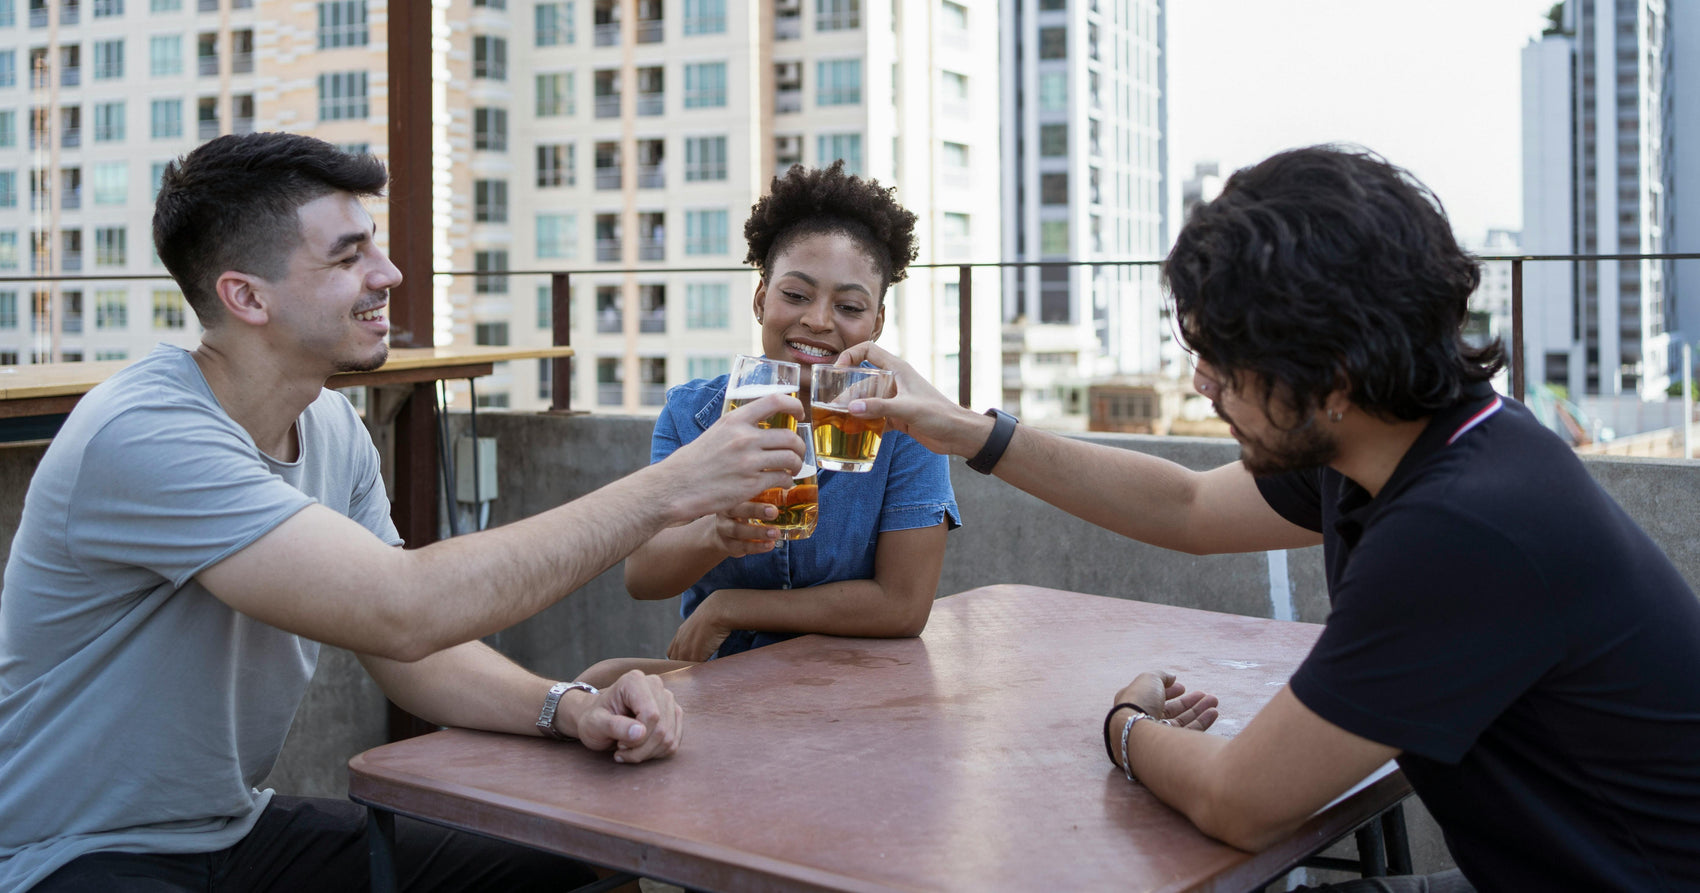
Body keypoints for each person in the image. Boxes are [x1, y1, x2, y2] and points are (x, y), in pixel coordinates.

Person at [837, 146, 1700, 890]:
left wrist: (1124, 726)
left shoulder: (1464, 527)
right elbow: (1188, 505)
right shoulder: (1406, 438)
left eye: (1226, 360)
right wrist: (963, 429)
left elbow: (1240, 801)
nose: (1204, 385)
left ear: (1333, 369)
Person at [0, 133, 806, 892]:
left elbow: (409, 651)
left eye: (375, 245)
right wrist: (671, 488)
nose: (388, 274)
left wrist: (568, 708)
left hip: (230, 830)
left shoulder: (330, 426)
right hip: (72, 853)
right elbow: (403, 605)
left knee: (574, 854)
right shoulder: (145, 434)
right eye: (349, 257)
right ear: (245, 296)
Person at [583, 162, 958, 683]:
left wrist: (731, 607)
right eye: (796, 295)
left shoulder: (904, 423)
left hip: (857, 683)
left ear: (876, 323)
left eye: (848, 305)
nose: (819, 320)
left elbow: (902, 606)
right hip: (728, 678)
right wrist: (718, 533)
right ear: (761, 299)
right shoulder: (694, 415)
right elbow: (643, 575)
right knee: (601, 681)